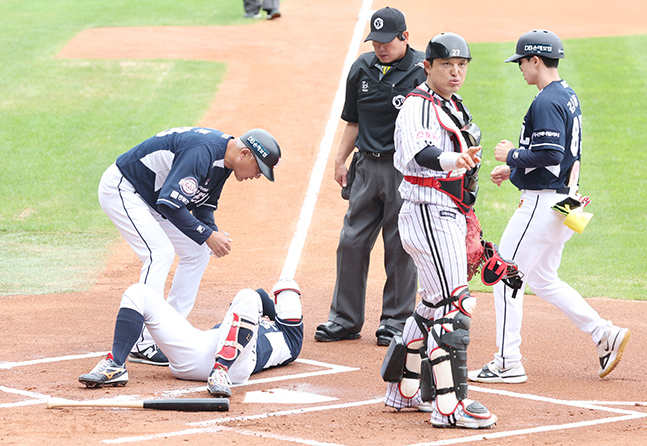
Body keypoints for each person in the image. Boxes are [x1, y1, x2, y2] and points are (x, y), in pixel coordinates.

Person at [468, 30, 630, 385]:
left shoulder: (545, 101)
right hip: (564, 203)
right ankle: (604, 332)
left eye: (522, 63)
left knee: (503, 276)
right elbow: (558, 157)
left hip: (542, 206)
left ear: (535, 61)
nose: (520, 70)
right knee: (542, 279)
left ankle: (507, 360)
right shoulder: (566, 95)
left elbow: (552, 154)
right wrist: (514, 169)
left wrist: (510, 154)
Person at [382, 32, 497, 429]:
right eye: (447, 64)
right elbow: (421, 153)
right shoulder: (418, 105)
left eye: (462, 64)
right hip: (428, 212)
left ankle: (405, 389)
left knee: (432, 306)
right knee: (454, 306)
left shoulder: (452, 104)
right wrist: (454, 159)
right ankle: (448, 405)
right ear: (427, 66)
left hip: (445, 212)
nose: (455, 71)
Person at [98, 126, 281, 366]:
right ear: (245, 154)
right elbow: (169, 205)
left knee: (197, 250)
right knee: (159, 252)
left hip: (153, 199)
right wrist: (207, 234)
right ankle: (142, 342)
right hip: (125, 189)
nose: (257, 176)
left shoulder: (224, 162)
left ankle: (167, 330)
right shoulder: (202, 152)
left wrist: (210, 234)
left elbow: (204, 206)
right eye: (259, 169)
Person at [314, 6, 424, 347]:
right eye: (375, 41)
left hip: (403, 170)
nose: (379, 47)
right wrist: (340, 159)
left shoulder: (422, 71)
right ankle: (344, 319)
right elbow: (353, 120)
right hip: (366, 167)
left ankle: (395, 320)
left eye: (386, 41)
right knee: (351, 242)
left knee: (399, 245)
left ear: (404, 37)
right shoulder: (361, 68)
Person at [79, 278, 303, 398]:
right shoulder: (247, 316)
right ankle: (115, 365)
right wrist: (265, 310)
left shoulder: (291, 341)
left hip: (235, 368)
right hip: (197, 351)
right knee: (139, 292)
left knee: (247, 295)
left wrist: (265, 311)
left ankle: (220, 373)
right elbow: (263, 296)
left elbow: (275, 292)